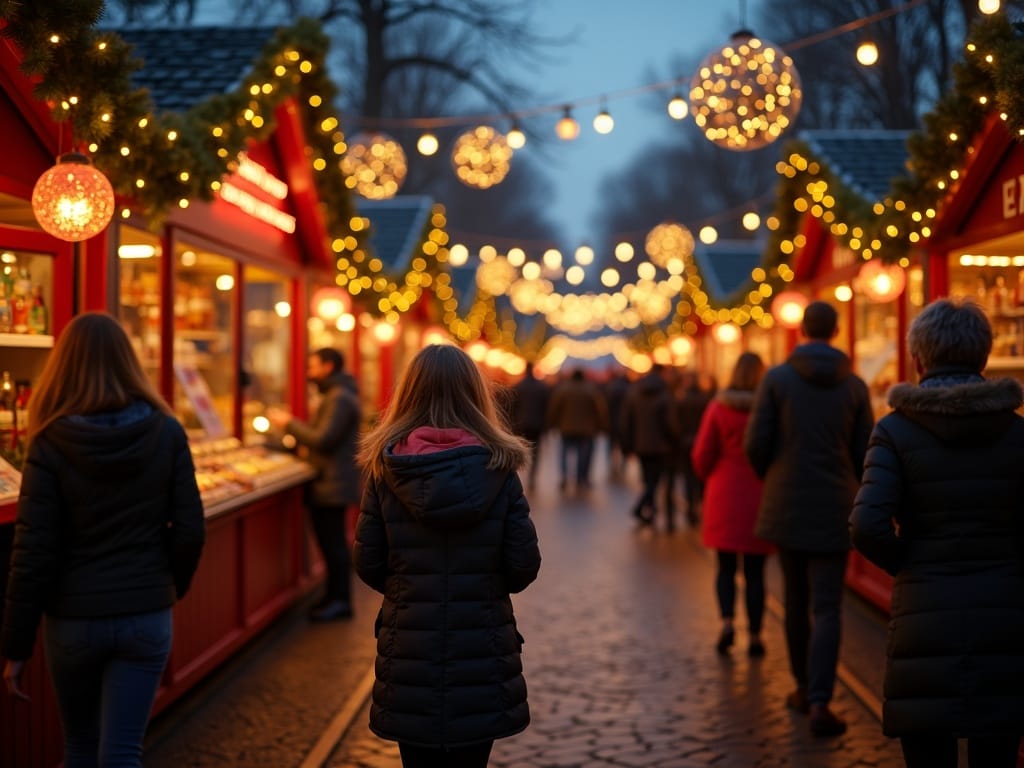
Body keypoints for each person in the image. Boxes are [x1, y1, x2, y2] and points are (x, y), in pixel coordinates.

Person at [0, 312, 205, 767]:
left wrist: (16, 647)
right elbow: (190, 527)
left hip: (74, 618)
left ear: (63, 365)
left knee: (78, 747)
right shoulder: (167, 430)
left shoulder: (50, 439)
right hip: (145, 611)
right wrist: (167, 587)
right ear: (128, 361)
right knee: (122, 751)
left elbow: (33, 552)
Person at [850, 298, 1024, 767]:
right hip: (1005, 617)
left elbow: (867, 524)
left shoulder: (893, 432)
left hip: (924, 616)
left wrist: (909, 559)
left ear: (918, 358)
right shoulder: (1017, 432)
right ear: (983, 357)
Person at [353, 344, 541, 768]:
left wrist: (410, 588)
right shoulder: (499, 467)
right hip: (483, 644)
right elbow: (523, 565)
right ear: (476, 395)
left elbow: (368, 562)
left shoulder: (387, 469)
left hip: (410, 649)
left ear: (408, 394)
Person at [744, 300, 873, 737]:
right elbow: (865, 453)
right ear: (835, 332)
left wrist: (775, 475)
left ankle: (802, 687)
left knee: (795, 601)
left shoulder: (777, 380)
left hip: (787, 503)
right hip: (836, 506)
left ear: (802, 331)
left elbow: (756, 443)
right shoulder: (854, 385)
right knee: (828, 606)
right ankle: (822, 699)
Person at [268, 348, 361, 621]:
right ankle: (334, 597)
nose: (309, 374)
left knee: (333, 545)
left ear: (328, 367)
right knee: (332, 544)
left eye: (313, 367)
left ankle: (340, 601)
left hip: (331, 485)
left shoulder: (339, 398)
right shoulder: (338, 396)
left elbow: (323, 439)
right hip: (330, 483)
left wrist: (289, 424)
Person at [691, 352, 774, 657]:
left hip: (724, 494)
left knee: (725, 568)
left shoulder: (718, 407)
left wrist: (709, 477)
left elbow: (702, 454)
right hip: (758, 495)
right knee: (756, 572)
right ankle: (755, 635)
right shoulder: (767, 409)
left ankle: (727, 622)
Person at [620, 363, 676, 529]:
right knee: (655, 481)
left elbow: (626, 422)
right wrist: (674, 440)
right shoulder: (665, 396)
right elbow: (670, 424)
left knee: (648, 479)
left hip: (640, 445)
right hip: (661, 446)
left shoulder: (634, 394)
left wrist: (627, 446)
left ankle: (649, 511)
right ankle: (640, 508)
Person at [545, 368, 607, 491]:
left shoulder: (563, 389)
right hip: (587, 429)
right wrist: (602, 426)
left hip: (566, 427)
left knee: (564, 453)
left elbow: (554, 408)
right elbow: (600, 410)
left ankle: (564, 476)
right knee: (583, 455)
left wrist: (551, 424)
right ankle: (581, 478)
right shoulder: (591, 390)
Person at [675, 370, 714, 526]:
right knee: (701, 478)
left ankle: (691, 508)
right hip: (702, 442)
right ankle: (702, 506)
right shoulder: (705, 400)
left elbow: (676, 424)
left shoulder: (681, 401)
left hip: (685, 444)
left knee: (688, 478)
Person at [510, 361, 550, 490]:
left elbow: (512, 407)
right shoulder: (542, 387)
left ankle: (519, 475)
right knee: (536, 452)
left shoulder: (518, 386)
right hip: (537, 424)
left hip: (521, 424)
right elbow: (546, 408)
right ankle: (532, 475)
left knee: (521, 450)